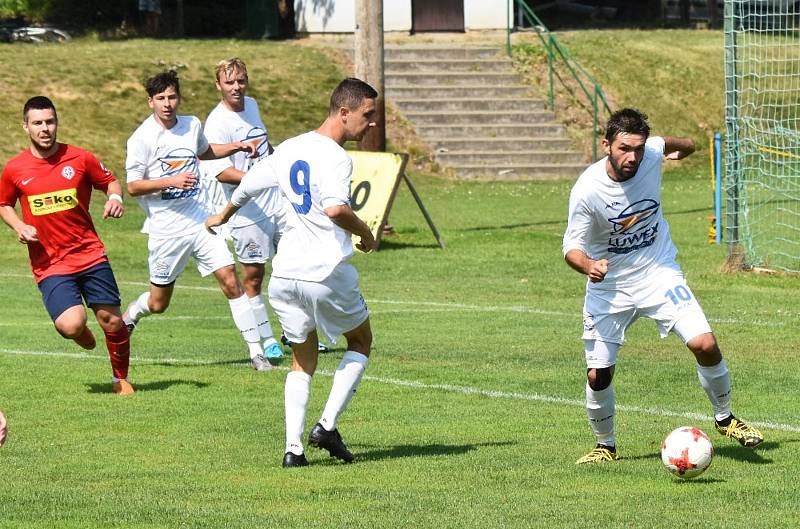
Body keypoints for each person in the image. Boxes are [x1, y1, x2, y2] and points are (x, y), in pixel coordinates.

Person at [563, 108, 764, 464]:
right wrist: (589, 265)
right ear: (606, 144)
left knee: (704, 343)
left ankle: (725, 418)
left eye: (639, 149)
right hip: (610, 287)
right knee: (598, 375)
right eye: (624, 148)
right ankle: (605, 446)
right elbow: (571, 248)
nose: (633, 157)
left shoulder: (651, 152)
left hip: (659, 272)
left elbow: (678, 143)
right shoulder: (587, 190)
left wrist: (682, 149)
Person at [206, 77, 379, 467]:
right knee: (361, 341)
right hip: (325, 271)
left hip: (285, 276)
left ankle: (293, 450)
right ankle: (327, 426)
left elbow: (249, 184)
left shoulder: (290, 147)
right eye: (367, 116)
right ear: (344, 111)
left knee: (302, 360)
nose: (371, 124)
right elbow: (336, 208)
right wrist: (366, 232)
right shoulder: (335, 157)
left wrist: (222, 214)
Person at [122, 71, 268, 371]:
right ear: (150, 102)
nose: (167, 104)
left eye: (172, 97)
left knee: (230, 279)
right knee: (159, 303)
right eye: (160, 98)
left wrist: (236, 147)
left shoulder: (191, 125)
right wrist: (171, 179)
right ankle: (133, 314)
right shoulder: (141, 138)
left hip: (201, 221)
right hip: (167, 230)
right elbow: (133, 186)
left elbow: (205, 151)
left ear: (179, 98)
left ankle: (257, 353)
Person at [0, 96, 134, 395]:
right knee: (71, 326)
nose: (45, 128)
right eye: (37, 123)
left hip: (89, 253)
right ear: (26, 126)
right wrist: (19, 226)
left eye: (49, 121)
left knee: (111, 320)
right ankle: (81, 333)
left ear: (56, 122)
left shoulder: (80, 158)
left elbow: (110, 181)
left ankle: (120, 378)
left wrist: (115, 198)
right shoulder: (15, 169)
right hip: (50, 262)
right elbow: (4, 203)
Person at [201, 58, 287, 365]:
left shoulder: (252, 104)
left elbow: (265, 148)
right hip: (245, 210)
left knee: (295, 264)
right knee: (254, 276)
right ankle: (266, 340)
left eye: (241, 80)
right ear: (219, 86)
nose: (236, 87)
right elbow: (221, 172)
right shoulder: (216, 123)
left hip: (276, 201)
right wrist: (259, 178)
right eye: (230, 82)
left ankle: (296, 331)